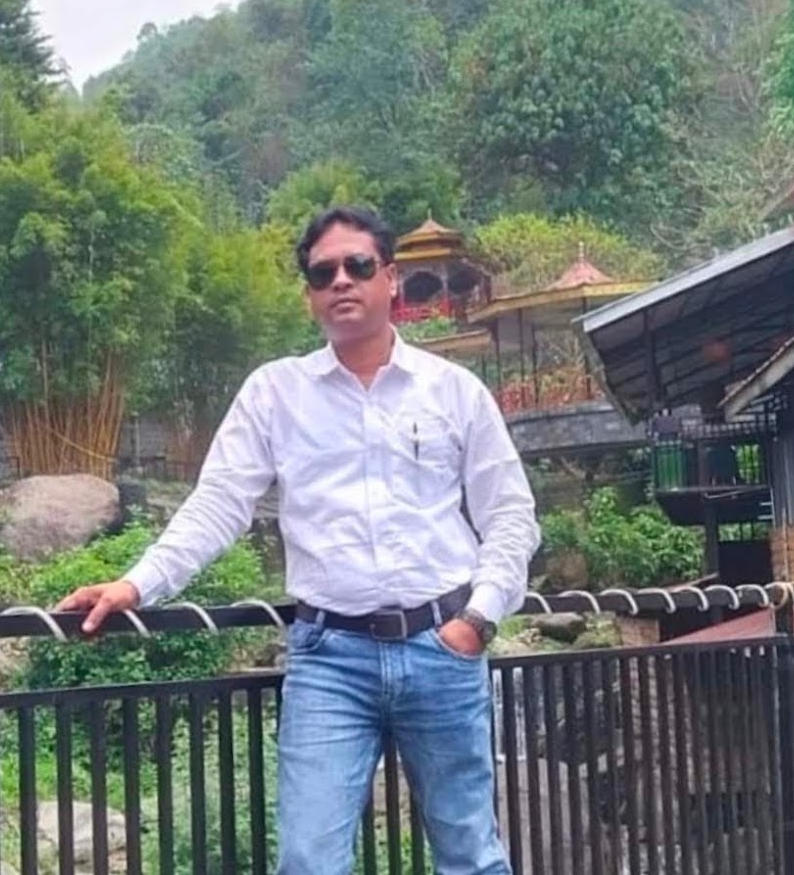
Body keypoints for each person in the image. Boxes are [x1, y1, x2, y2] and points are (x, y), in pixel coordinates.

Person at [58, 206, 540, 875]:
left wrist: (478, 620)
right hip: (330, 660)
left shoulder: (453, 391)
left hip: (442, 646)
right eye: (323, 272)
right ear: (310, 293)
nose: (341, 280)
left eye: (358, 265)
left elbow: (510, 513)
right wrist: (136, 584)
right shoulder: (276, 393)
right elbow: (219, 505)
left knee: (471, 856)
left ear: (390, 279)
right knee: (309, 861)